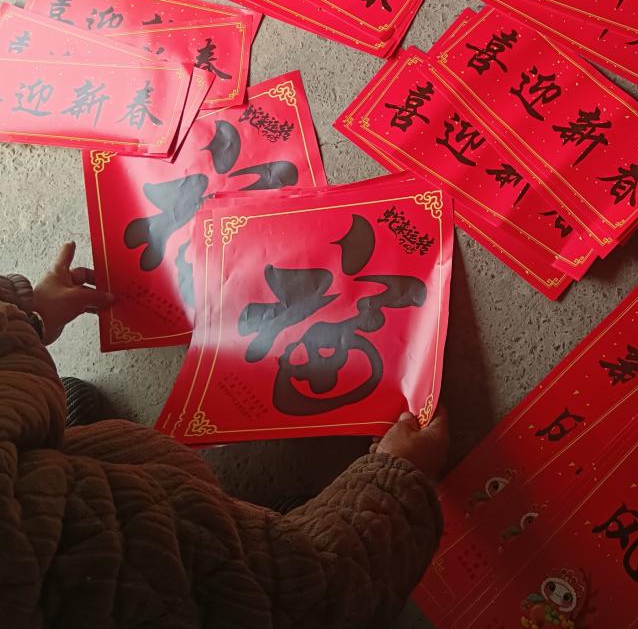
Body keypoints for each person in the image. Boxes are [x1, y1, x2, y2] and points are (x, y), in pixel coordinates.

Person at [0, 242, 449, 629]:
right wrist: (395, 481)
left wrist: (27, 318)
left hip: (55, 483)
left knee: (49, 412)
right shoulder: (56, 558)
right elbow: (304, 597)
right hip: (120, 557)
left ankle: (51, 432)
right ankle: (267, 523)